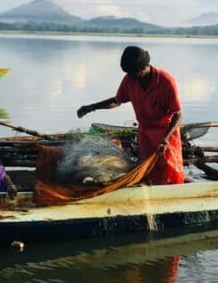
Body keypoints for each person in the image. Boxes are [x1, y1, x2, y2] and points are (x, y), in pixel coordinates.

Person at [77, 45, 184, 185]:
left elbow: (178, 114)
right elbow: (117, 100)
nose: (130, 77)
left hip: (165, 132)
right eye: (128, 73)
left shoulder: (165, 81)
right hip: (145, 131)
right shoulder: (130, 79)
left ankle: (173, 197)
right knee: (146, 168)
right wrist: (92, 107)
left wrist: (165, 138)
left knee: (169, 170)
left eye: (133, 73)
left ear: (144, 67)